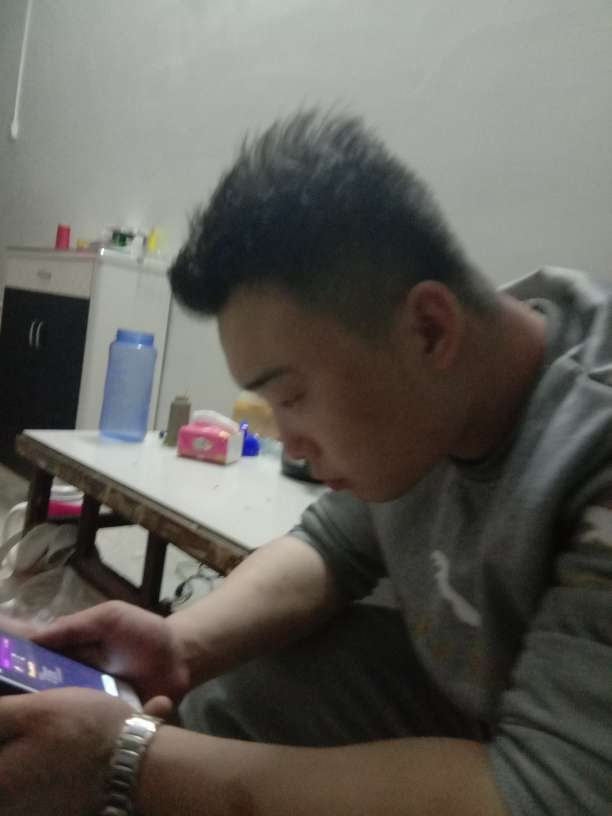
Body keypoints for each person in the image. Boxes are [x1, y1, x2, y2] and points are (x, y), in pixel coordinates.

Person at [1, 110, 611, 816]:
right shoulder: (448, 379)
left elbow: (550, 793)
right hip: (474, 707)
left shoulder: (588, 441)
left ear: (430, 329)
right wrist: (179, 645)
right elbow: (334, 543)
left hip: (560, 772)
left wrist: (124, 760)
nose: (289, 444)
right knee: (227, 698)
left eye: (292, 396)